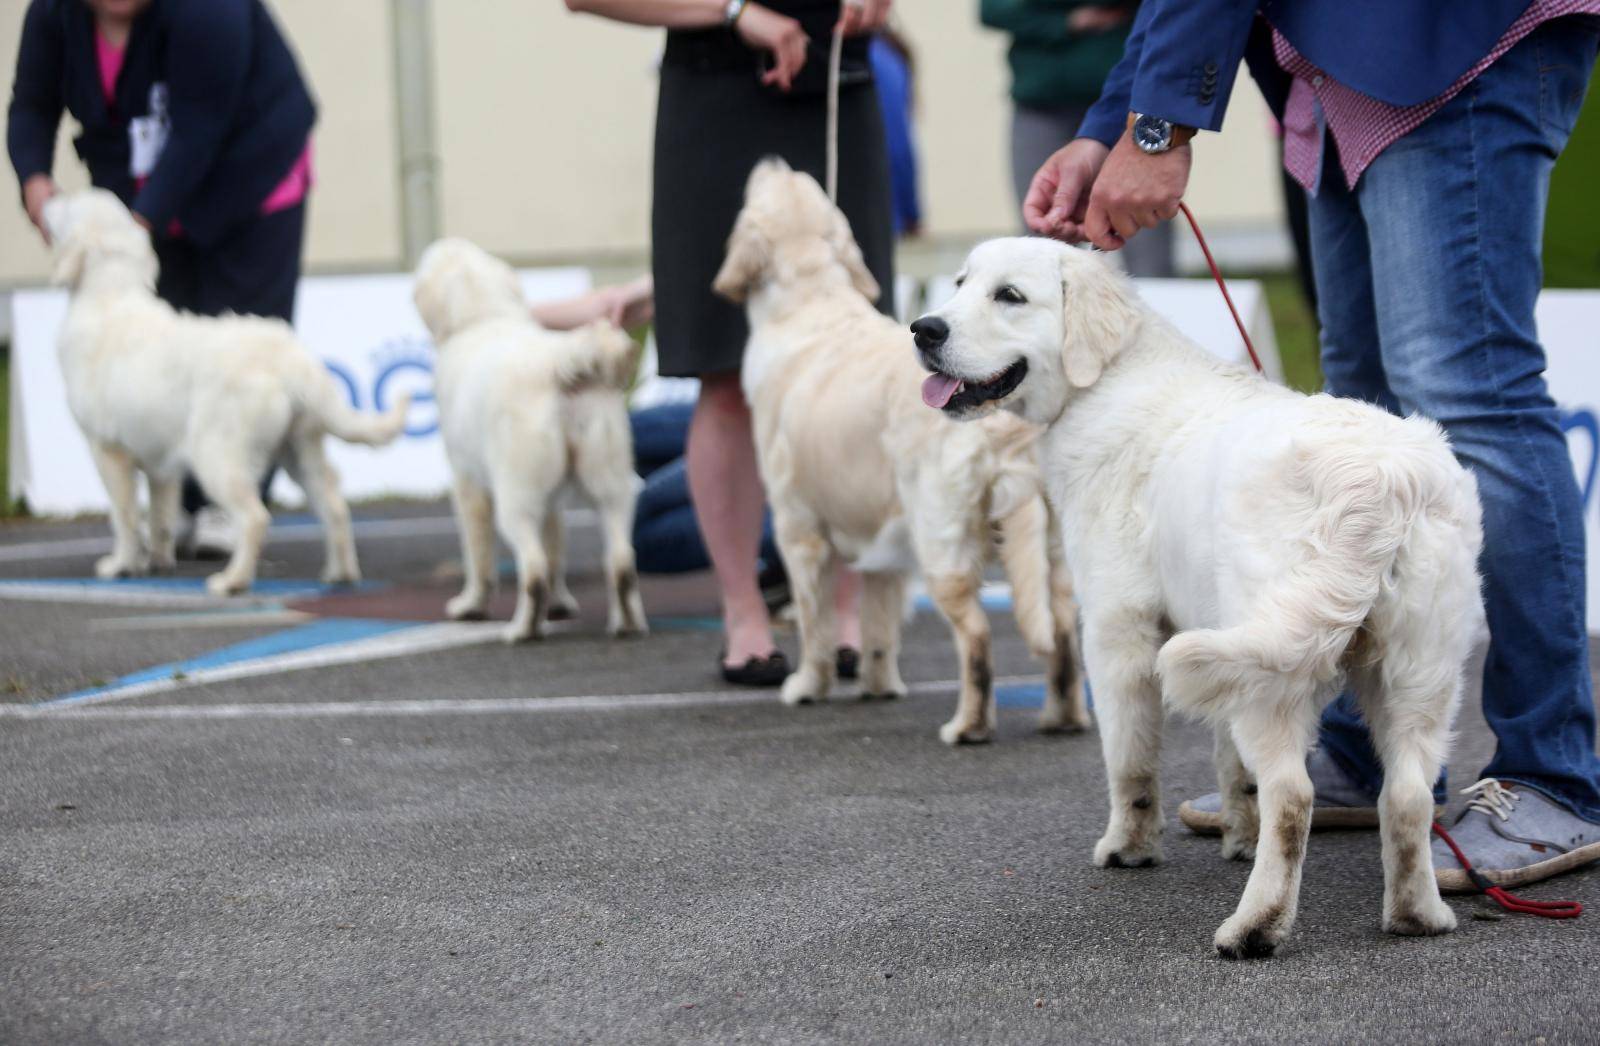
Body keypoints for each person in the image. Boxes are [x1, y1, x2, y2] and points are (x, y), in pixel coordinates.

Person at [1025, 1, 1600, 888]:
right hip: (1341, 75)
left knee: (1471, 395)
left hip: (1440, 47)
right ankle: (1366, 753)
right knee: (1360, 408)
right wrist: (1112, 127)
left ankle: (1552, 774)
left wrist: (1154, 128)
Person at [566, 0, 895, 686]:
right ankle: (745, 617)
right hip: (713, 92)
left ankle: (845, 615)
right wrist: (734, 10)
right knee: (721, 373)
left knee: (860, 362)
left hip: (837, 81)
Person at [8, 0, 317, 557]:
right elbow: (31, 105)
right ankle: (171, 515)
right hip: (142, 192)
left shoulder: (209, 11)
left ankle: (230, 502)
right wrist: (34, 185)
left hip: (247, 177)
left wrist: (132, 230)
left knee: (233, 343)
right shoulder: (52, 15)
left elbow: (200, 128)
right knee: (160, 356)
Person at [980, 0, 1173, 276]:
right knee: (1043, 241)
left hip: (1128, 107)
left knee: (1145, 239)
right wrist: (1067, 21)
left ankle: (1149, 314)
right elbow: (993, 10)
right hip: (1041, 105)